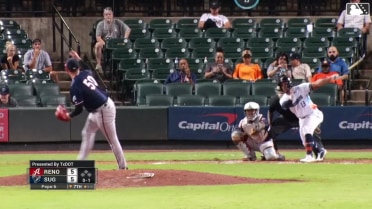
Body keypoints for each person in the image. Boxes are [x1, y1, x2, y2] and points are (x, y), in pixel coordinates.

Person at [61, 50, 128, 170]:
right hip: (100, 108)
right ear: (77, 68)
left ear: (67, 70)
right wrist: (79, 59)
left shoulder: (75, 85)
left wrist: (69, 116)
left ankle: (123, 168)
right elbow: (87, 68)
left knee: (112, 140)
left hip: (103, 111)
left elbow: (79, 109)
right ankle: (80, 163)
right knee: (87, 132)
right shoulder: (85, 73)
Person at [278, 75, 334, 162]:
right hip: (302, 119)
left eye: (285, 84)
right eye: (282, 85)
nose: (284, 86)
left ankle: (309, 156)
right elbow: (286, 105)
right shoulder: (283, 99)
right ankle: (320, 151)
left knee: (308, 131)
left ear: (289, 83)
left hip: (313, 113)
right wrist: (291, 97)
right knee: (305, 141)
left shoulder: (301, 88)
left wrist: (329, 79)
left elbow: (316, 84)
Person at [266, 87, 324, 159]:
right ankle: (274, 153)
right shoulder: (275, 100)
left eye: (283, 92)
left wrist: (315, 122)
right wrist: (270, 124)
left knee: (311, 131)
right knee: (271, 131)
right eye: (280, 92)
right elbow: (270, 112)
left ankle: (320, 150)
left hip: (302, 117)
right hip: (286, 119)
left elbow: (310, 105)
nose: (282, 94)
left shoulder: (296, 95)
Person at [95, 7, 131, 73]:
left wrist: (124, 39)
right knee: (97, 45)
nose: (108, 16)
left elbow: (128, 29)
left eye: (109, 14)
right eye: (106, 14)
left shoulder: (118, 22)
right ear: (104, 16)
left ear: (112, 15)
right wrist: (105, 44)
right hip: (105, 43)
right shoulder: (100, 24)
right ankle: (99, 65)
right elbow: (98, 37)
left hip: (117, 43)